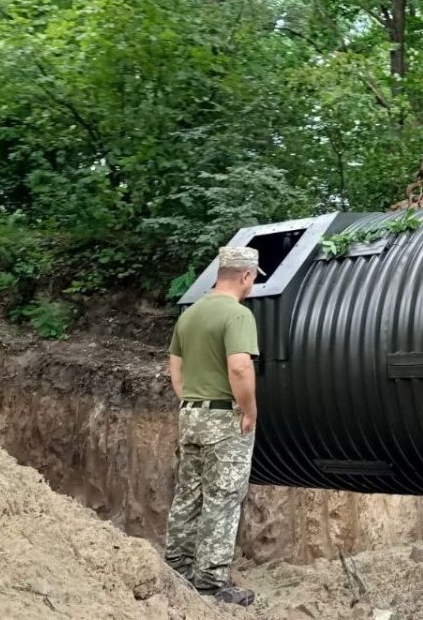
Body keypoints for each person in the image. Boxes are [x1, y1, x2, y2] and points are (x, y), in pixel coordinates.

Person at [163, 246, 263, 606]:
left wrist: (189, 398)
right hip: (224, 417)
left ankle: (176, 567)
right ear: (246, 276)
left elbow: (175, 365)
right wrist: (248, 411)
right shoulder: (237, 315)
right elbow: (239, 367)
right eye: (253, 280)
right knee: (223, 498)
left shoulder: (190, 315)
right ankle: (209, 583)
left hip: (190, 415)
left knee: (188, 495)